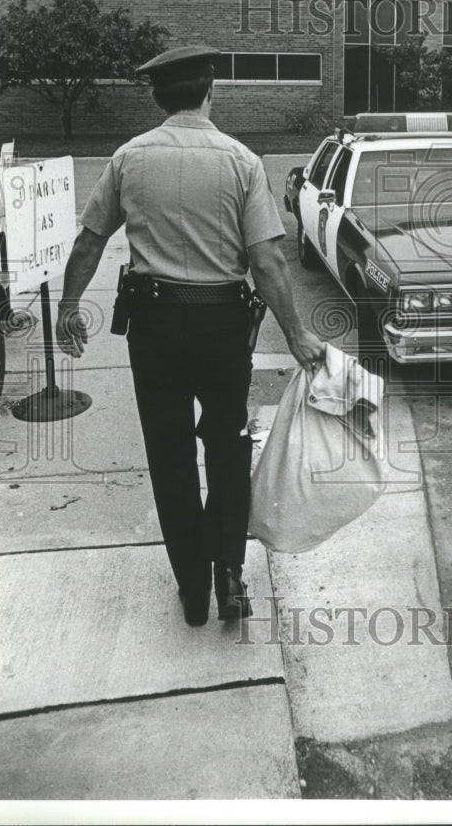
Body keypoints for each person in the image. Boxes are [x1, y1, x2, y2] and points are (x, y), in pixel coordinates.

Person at [55, 45, 325, 628]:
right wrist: (298, 334)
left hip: (153, 330)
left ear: (157, 97)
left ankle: (192, 591)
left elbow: (88, 241)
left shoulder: (129, 157)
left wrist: (69, 307)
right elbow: (268, 261)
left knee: (171, 456)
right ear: (211, 92)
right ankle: (228, 573)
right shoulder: (242, 161)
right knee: (227, 448)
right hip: (224, 329)